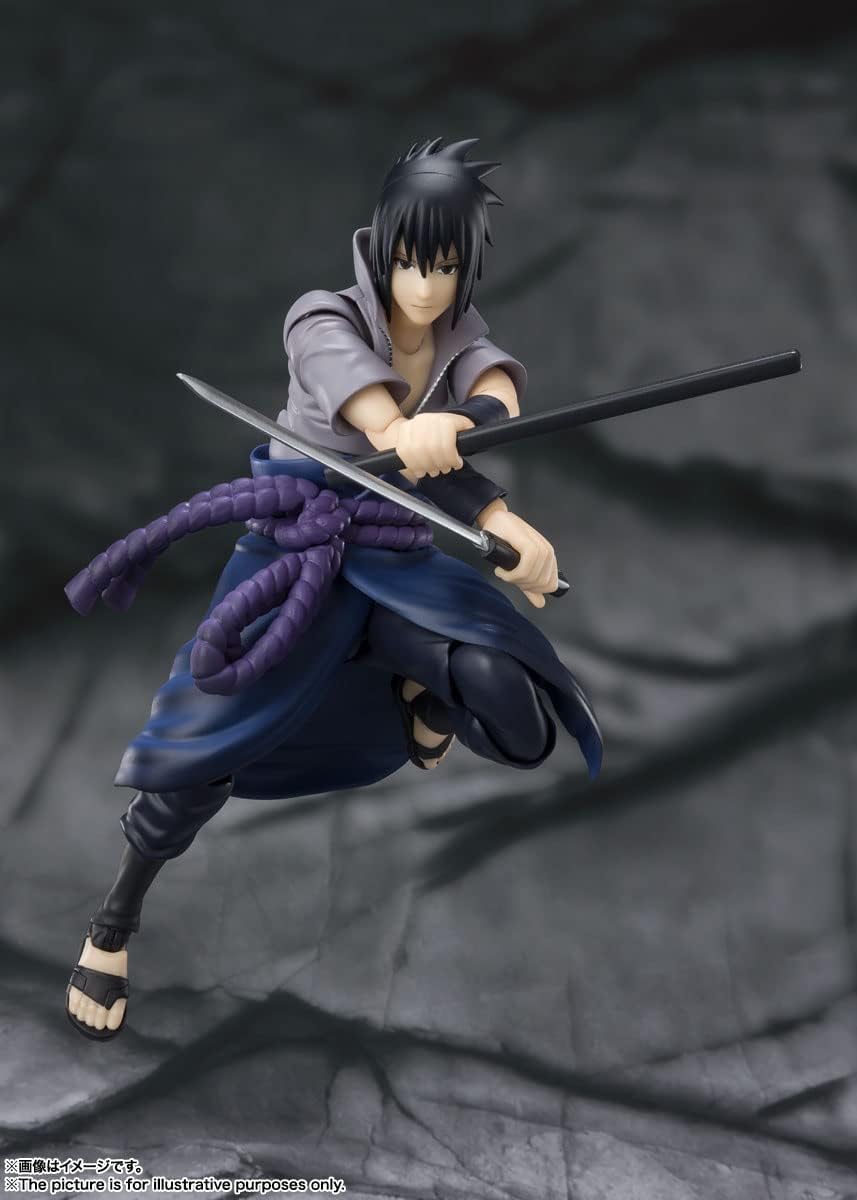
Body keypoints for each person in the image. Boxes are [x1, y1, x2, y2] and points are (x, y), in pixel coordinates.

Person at [65, 137, 602, 1040]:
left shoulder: (460, 334)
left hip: (395, 558)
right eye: (410, 261)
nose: (425, 285)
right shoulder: (323, 315)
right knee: (204, 744)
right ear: (381, 247)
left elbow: (499, 393)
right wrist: (406, 430)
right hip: (298, 550)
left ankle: (424, 697)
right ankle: (110, 928)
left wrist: (502, 517)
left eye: (446, 266)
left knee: (514, 704)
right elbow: (369, 410)